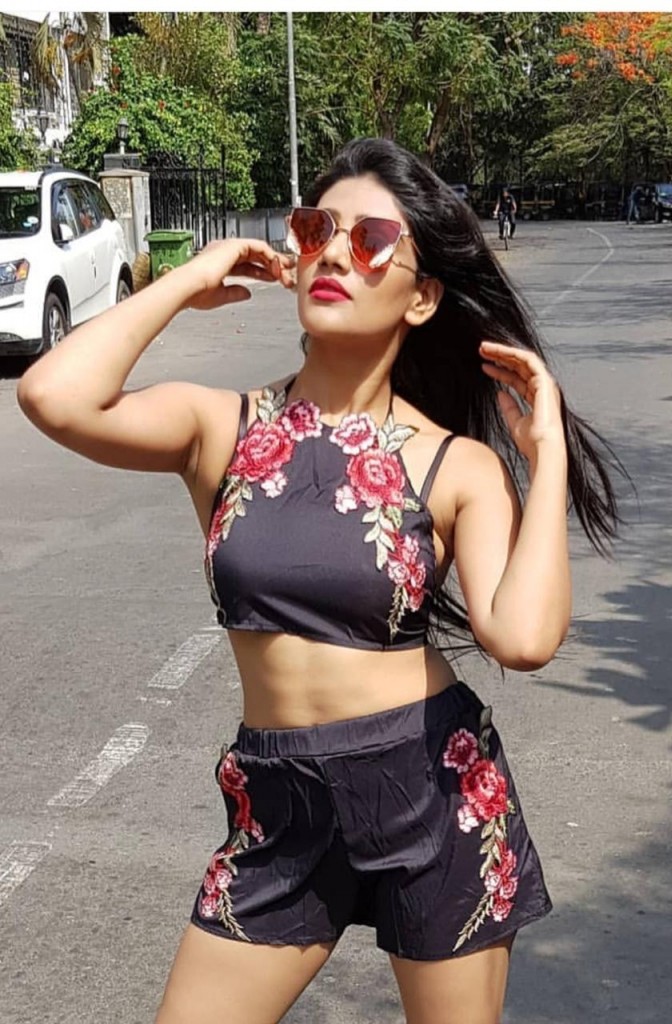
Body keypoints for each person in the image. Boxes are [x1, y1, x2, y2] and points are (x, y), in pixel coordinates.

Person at [17, 137, 622, 1024]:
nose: (335, 252)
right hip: (277, 800)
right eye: (315, 229)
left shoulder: (454, 466)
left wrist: (548, 453)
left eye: (371, 239)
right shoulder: (219, 427)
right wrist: (186, 281)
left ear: (421, 297)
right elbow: (53, 397)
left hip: (431, 793)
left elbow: (523, 639)